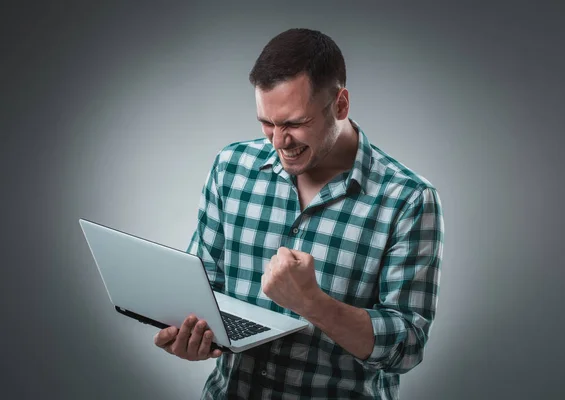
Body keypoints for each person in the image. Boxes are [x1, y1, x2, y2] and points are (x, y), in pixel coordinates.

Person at [154, 28, 444, 399]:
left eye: (294, 123)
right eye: (267, 123)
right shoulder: (231, 167)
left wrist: (312, 303)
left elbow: (408, 346)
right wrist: (190, 334)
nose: (278, 142)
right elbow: (203, 287)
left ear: (340, 105)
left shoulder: (408, 199)